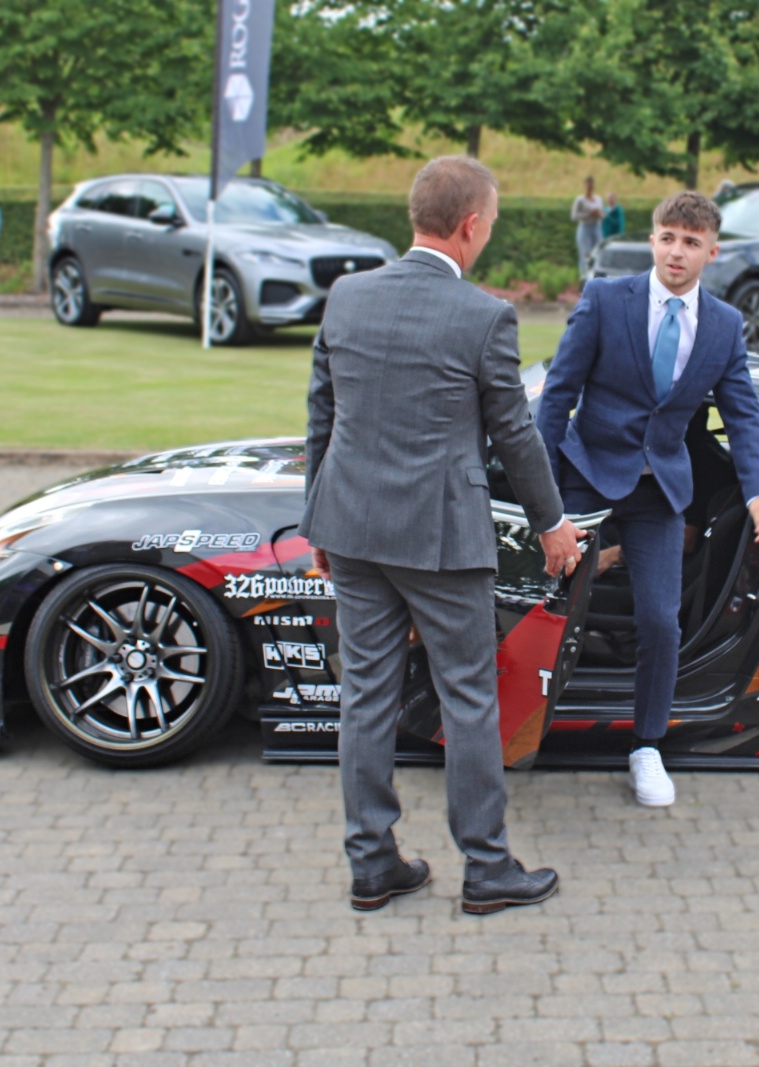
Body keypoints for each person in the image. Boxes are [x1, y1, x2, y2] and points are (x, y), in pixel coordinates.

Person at [302, 156, 582, 915]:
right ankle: (487, 869)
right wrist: (552, 523)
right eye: (489, 225)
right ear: (470, 225)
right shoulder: (484, 316)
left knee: (365, 695)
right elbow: (515, 434)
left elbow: (322, 414)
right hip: (441, 539)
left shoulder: (348, 296)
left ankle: (371, 863)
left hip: (352, 527)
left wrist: (316, 515)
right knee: (467, 697)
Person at [536, 191, 759, 808]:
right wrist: (543, 498)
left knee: (660, 622)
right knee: (546, 607)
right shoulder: (604, 299)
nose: (677, 252)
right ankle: (520, 718)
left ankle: (647, 747)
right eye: (667, 238)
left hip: (661, 490)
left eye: (691, 242)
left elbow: (742, 415)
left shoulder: (723, 325)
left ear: (711, 252)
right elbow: (557, 396)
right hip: (585, 475)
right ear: (652, 240)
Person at [571, 175, 604, 276]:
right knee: (585, 254)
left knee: (598, 251)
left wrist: (599, 214)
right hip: (585, 227)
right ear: (585, 185)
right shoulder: (580, 200)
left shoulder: (598, 199)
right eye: (588, 184)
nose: (590, 186)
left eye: (591, 183)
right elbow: (574, 216)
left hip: (596, 227)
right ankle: (584, 276)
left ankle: (597, 275)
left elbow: (602, 213)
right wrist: (589, 214)